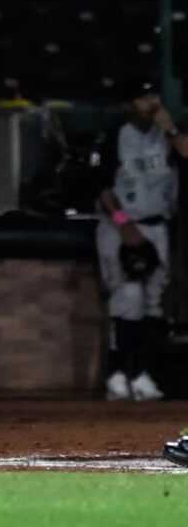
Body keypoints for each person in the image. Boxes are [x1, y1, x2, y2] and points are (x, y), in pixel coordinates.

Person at [93, 77, 188, 402]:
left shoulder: (170, 133)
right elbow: (101, 185)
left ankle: (143, 374)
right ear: (128, 105)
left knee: (153, 301)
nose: (151, 102)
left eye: (154, 95)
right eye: (143, 97)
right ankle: (119, 374)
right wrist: (124, 225)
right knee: (128, 297)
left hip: (157, 225)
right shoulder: (116, 134)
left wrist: (172, 129)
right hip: (121, 225)